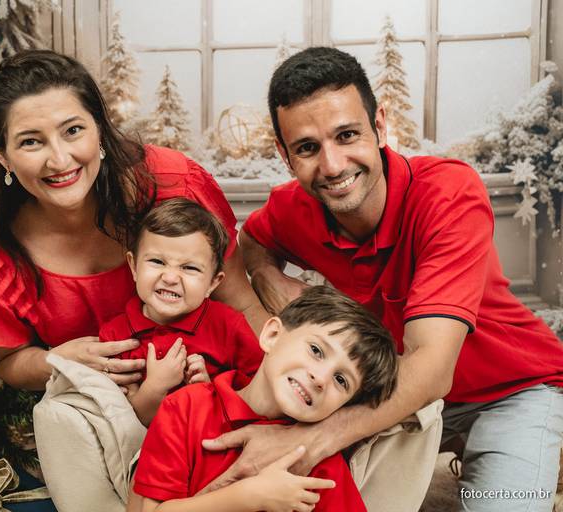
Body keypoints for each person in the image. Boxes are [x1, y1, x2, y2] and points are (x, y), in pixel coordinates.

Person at [204, 46, 563, 511]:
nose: (332, 166)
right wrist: (265, 274)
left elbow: (432, 367)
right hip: (391, 395)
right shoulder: (294, 207)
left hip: (510, 391)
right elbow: (250, 241)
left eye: (347, 135)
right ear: (284, 154)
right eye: (307, 148)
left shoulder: (448, 194)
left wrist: (312, 439)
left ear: (380, 126)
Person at [0, 50, 267, 393]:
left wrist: (265, 410)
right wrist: (58, 362)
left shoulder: (173, 185)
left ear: (99, 127)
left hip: (215, 398)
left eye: (73, 130)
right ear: (2, 154)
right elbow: (8, 360)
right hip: (99, 417)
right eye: (31, 141)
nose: (60, 159)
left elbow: (243, 305)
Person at [127, 286, 398, 512]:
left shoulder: (319, 462)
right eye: (316, 350)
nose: (321, 378)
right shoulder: (187, 407)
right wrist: (248, 496)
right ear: (272, 336)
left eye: (341, 380)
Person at [99, 198, 263, 425]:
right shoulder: (116, 336)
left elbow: (260, 393)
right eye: (157, 261)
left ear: (213, 284)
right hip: (150, 448)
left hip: (215, 441)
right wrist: (155, 386)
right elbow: (130, 424)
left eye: (189, 268)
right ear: (134, 267)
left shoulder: (228, 325)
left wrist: (210, 390)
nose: (170, 277)